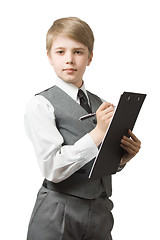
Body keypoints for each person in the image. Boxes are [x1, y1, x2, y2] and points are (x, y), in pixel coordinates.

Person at [24, 17, 141, 240]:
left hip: (100, 211)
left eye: (78, 52)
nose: (69, 59)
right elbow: (53, 169)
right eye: (60, 52)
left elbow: (99, 165)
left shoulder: (102, 104)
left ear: (90, 57)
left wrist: (122, 159)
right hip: (57, 211)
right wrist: (97, 133)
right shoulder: (41, 105)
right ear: (49, 56)